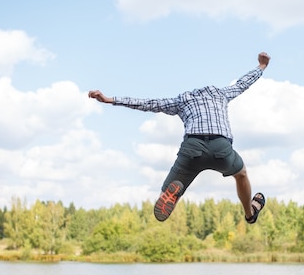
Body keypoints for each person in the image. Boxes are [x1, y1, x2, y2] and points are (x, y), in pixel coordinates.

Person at [88, 52, 270, 223]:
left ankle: (172, 195)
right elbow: (243, 83)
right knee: (241, 174)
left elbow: (150, 104)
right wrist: (261, 66)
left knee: (164, 195)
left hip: (192, 147)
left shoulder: (183, 100)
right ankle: (250, 214)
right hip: (220, 147)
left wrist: (111, 99)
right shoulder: (219, 94)